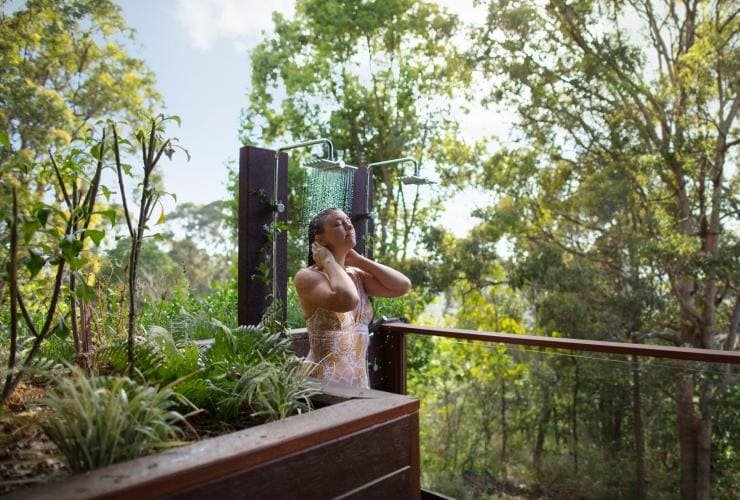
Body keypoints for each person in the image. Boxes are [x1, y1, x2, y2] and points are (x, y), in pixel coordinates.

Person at [295, 207, 411, 388]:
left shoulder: (356, 276)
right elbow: (348, 300)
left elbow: (402, 286)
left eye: (348, 221)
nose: (349, 226)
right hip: (320, 386)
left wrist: (359, 261)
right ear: (320, 240)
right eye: (338, 224)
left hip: (359, 385)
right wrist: (328, 261)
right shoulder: (307, 277)